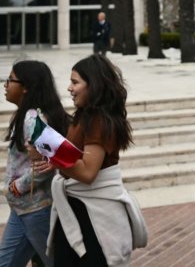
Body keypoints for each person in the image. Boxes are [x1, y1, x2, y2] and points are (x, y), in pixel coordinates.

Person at [32, 55, 147, 266]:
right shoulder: (84, 116)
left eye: (75, 82)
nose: (69, 88)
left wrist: (54, 155)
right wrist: (56, 160)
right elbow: (76, 158)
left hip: (91, 218)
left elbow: (87, 173)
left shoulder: (98, 121)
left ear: (93, 85)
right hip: (78, 211)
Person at [0, 61, 70, 267]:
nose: (5, 84)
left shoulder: (33, 119)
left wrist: (18, 186)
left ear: (26, 87)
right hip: (22, 209)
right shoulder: (26, 115)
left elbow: (46, 165)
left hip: (36, 210)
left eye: (10, 80)